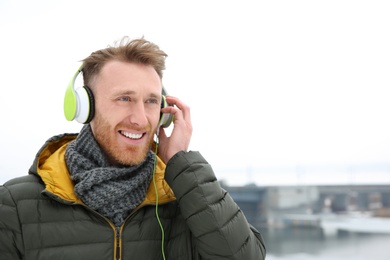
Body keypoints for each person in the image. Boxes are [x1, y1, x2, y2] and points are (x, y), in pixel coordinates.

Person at [0, 36, 266, 260]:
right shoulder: (14, 205)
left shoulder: (184, 196)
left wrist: (180, 163)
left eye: (151, 101)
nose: (140, 119)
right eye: (124, 98)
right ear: (85, 107)